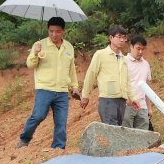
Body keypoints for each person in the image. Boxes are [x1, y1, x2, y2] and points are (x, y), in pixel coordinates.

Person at [17, 16, 79, 149]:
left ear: (63, 31)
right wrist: (35, 53)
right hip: (45, 88)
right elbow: (30, 64)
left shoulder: (68, 47)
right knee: (38, 115)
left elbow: (71, 69)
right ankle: (24, 139)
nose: (54, 34)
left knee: (61, 122)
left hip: (62, 90)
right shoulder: (39, 44)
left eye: (57, 31)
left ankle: (58, 148)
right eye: (51, 31)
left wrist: (74, 86)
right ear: (48, 30)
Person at [80, 25, 139, 125]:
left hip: (121, 101)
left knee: (117, 131)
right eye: (119, 37)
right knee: (112, 131)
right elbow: (91, 75)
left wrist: (133, 98)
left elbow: (127, 81)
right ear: (111, 38)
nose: (122, 40)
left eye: (124, 37)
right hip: (108, 99)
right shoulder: (100, 55)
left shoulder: (124, 59)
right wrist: (85, 95)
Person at [123, 35, 152, 130]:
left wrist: (149, 108)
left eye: (143, 49)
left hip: (142, 106)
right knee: (126, 134)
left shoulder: (146, 64)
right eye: (138, 48)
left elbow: (147, 87)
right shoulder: (123, 62)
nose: (140, 52)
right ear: (131, 47)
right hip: (127, 105)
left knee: (142, 136)